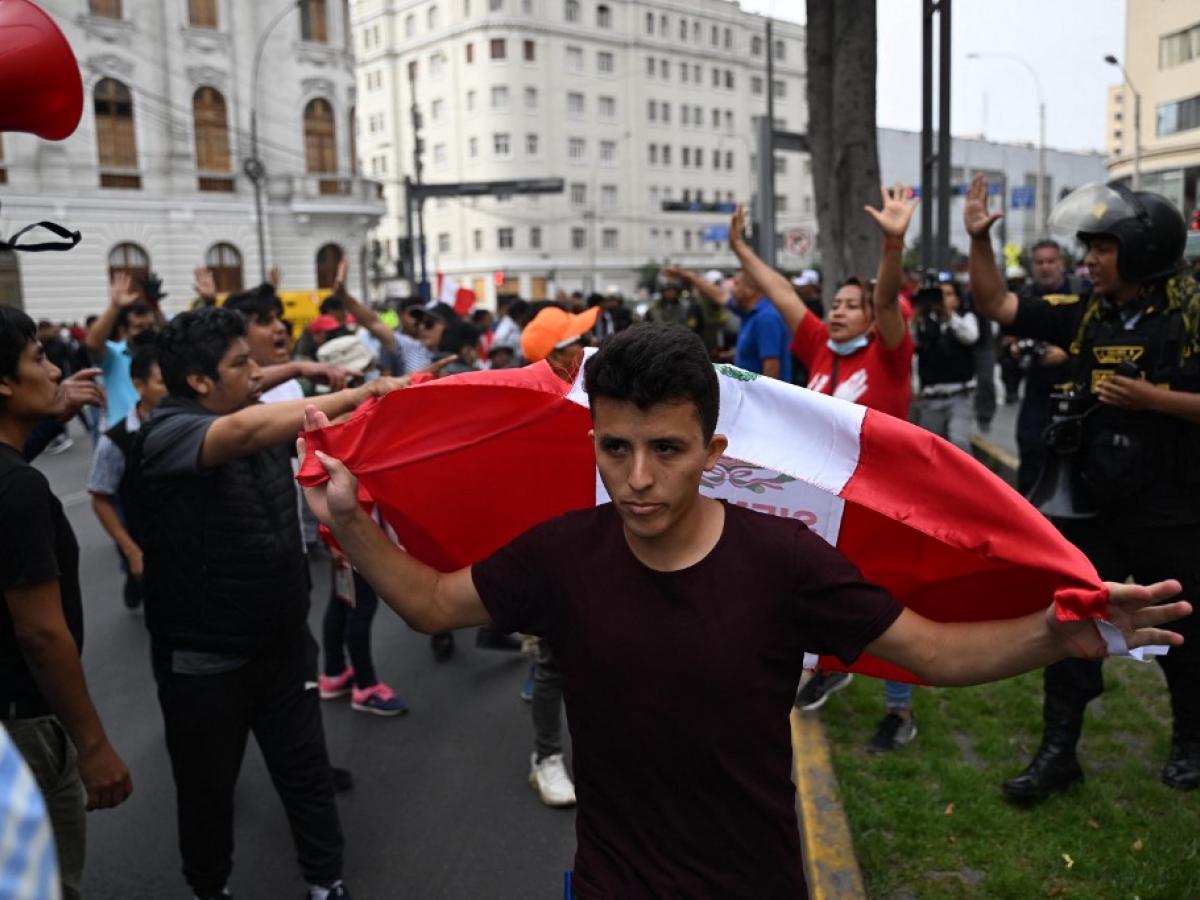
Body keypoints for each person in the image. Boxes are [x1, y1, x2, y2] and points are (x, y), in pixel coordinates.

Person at [301, 320, 1187, 897]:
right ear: (593, 439)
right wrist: (348, 518)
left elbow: (933, 655)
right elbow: (426, 604)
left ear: (713, 449)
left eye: (667, 450)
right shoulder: (561, 554)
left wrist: (1057, 633)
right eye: (616, 448)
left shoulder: (787, 560)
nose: (639, 478)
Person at [130, 308, 401, 900]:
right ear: (198, 382)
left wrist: (304, 365)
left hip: (282, 644)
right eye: (241, 363)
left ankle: (326, 881)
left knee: (306, 775)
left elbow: (255, 404)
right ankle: (209, 887)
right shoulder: (170, 432)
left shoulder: (235, 404)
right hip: (206, 662)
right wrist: (369, 391)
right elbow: (247, 433)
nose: (257, 373)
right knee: (207, 790)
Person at [965, 173, 1200, 797]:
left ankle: (1191, 743)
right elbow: (998, 306)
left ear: (1143, 254)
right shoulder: (1088, 313)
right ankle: (1057, 754)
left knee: (1185, 630)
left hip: (1173, 507)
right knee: (1073, 622)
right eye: (1088, 247)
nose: (1088, 260)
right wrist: (979, 242)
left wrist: (1153, 398)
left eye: (1103, 248)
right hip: (1095, 505)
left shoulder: (1192, 314)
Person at [730, 186, 922, 752]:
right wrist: (742, 249)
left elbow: (888, 303)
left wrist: (892, 243)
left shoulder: (889, 355)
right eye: (833, 303)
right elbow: (782, 291)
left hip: (884, 508)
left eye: (849, 305)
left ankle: (899, 713)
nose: (835, 311)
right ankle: (830, 665)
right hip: (826, 505)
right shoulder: (818, 348)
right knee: (816, 592)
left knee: (890, 608)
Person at [1, 307, 133, 900]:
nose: (55, 370)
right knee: (43, 885)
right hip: (24, 728)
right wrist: (93, 745)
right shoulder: (20, 490)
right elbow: (41, 635)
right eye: (37, 358)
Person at [514, 305, 601, 808]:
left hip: (609, 540)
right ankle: (546, 757)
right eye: (576, 340)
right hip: (555, 551)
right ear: (557, 356)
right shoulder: (532, 407)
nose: (587, 345)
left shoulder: (595, 391)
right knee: (552, 662)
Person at [86, 337, 167, 610]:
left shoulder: (192, 425)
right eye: (161, 382)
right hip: (145, 543)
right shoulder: (115, 440)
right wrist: (131, 550)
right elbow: (100, 497)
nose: (170, 389)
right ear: (138, 385)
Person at [1004, 241, 1078, 495]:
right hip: (1037, 388)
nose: (1045, 267)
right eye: (1039, 262)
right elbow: (1006, 340)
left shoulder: (1082, 293)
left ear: (1061, 264)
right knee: (1031, 450)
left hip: (1076, 390)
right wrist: (1014, 348)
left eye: (1050, 261)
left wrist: (1067, 354)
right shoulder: (1022, 298)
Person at [664, 255, 792, 381]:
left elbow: (771, 367)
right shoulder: (749, 312)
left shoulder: (766, 318)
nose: (731, 289)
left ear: (750, 290)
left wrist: (763, 401)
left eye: (736, 284)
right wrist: (686, 275)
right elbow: (719, 296)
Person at [911, 272, 981, 453]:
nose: (943, 299)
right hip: (931, 397)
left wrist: (949, 316)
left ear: (958, 298)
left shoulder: (964, 318)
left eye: (949, 294)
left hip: (960, 395)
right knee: (930, 450)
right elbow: (912, 350)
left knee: (959, 443)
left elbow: (971, 337)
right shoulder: (922, 323)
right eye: (939, 295)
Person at [85, 272, 157, 427]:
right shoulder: (114, 355)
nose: (146, 331)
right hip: (122, 437)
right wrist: (115, 307)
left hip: (158, 433)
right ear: (124, 330)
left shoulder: (160, 356)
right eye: (139, 327)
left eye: (150, 326)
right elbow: (92, 343)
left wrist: (156, 305)